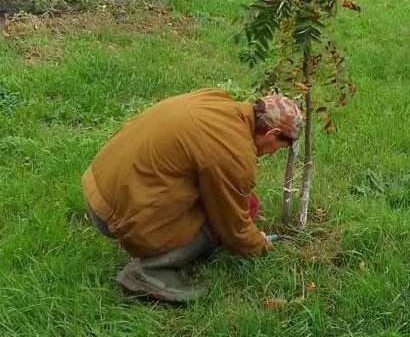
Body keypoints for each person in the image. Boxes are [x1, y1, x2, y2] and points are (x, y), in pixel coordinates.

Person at [82, 88, 302, 303]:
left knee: (247, 202)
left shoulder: (216, 100)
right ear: (272, 134)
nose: (273, 153)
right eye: (278, 147)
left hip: (98, 186)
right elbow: (234, 227)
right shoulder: (233, 152)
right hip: (113, 214)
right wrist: (260, 245)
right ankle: (148, 272)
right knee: (219, 221)